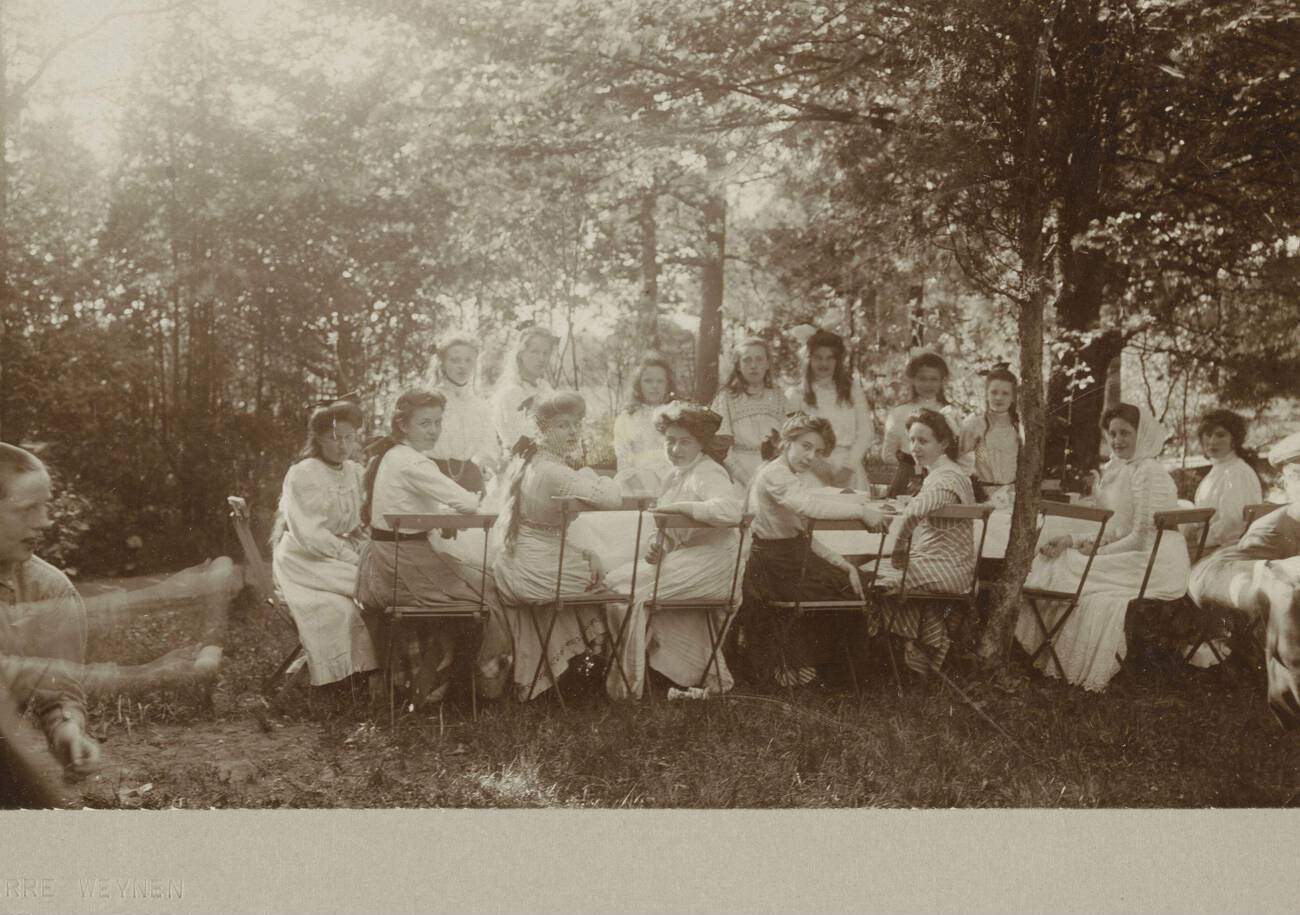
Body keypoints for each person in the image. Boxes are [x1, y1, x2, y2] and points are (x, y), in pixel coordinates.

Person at [1013, 404, 1189, 691]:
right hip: (1133, 550)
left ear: (1141, 433)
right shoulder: (1121, 469)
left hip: (1156, 559)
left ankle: (1050, 652)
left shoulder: (1149, 471)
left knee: (1072, 567)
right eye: (1113, 434)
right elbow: (1113, 528)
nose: (1117, 440)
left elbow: (1142, 536)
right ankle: (1045, 651)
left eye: (1125, 433)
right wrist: (1072, 541)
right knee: (1059, 559)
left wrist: (1095, 553)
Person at [355, 389, 511, 709]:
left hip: (391, 559)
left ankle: (452, 681)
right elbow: (468, 501)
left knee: (482, 580)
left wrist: (442, 517)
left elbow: (413, 504)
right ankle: (464, 689)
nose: (434, 430)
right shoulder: (411, 461)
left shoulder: (394, 455)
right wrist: (454, 512)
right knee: (486, 594)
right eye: (425, 423)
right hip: (401, 565)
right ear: (403, 425)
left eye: (438, 422)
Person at [603, 403, 744, 699]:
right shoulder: (673, 476)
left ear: (701, 443)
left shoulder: (708, 472)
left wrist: (681, 507)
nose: (676, 449)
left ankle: (629, 687)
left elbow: (731, 510)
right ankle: (637, 674)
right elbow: (667, 529)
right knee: (615, 583)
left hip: (716, 563)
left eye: (685, 442)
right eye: (670, 441)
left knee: (629, 592)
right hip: (689, 558)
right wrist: (660, 546)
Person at [492, 391, 624, 700]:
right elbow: (612, 498)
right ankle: (592, 671)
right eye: (563, 425)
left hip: (522, 561)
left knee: (594, 561)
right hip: (534, 569)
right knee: (616, 577)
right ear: (541, 429)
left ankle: (570, 673)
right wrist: (592, 475)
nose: (573, 432)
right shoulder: (553, 471)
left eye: (576, 424)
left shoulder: (532, 462)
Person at [741, 413, 886, 687]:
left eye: (817, 451)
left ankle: (832, 674)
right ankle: (830, 675)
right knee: (847, 590)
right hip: (774, 567)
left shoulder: (788, 475)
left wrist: (843, 564)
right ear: (787, 441)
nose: (810, 457)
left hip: (791, 558)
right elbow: (809, 508)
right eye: (806, 446)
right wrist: (861, 511)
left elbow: (803, 537)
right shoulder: (775, 474)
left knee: (851, 581)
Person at [1187, 431, 1300, 724]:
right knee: (1284, 593)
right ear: (1286, 484)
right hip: (1242, 580)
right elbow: (1218, 572)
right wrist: (1270, 575)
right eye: (1298, 476)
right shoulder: (1274, 527)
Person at [0, 443, 100, 775]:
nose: (44, 522)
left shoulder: (50, 590)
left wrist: (67, 730)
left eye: (45, 507)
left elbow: (59, 690)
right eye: (28, 509)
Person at [270, 401, 379, 688]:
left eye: (349, 438)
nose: (342, 446)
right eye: (334, 438)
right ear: (318, 438)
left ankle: (379, 674)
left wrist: (365, 546)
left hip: (336, 554)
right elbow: (310, 534)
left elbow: (359, 522)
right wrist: (350, 556)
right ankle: (354, 679)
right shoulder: (306, 472)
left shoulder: (355, 472)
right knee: (371, 589)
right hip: (305, 560)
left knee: (379, 583)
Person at [871, 409, 977, 676]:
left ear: (943, 444)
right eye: (912, 440)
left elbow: (915, 512)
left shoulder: (946, 478)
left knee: (867, 576)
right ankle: (918, 650)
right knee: (876, 570)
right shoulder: (946, 474)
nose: (915, 448)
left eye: (923, 441)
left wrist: (899, 548)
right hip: (946, 565)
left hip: (946, 568)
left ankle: (894, 656)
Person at [784, 329, 873, 489]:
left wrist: (848, 468)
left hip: (848, 468)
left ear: (837, 361)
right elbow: (793, 437)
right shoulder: (797, 394)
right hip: (811, 469)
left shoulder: (851, 390)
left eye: (829, 358)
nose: (823, 363)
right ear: (808, 359)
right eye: (818, 358)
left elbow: (865, 432)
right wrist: (819, 467)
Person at [880, 352, 966, 497]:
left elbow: (963, 450)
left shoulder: (951, 413)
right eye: (922, 379)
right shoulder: (899, 413)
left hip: (942, 479)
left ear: (942, 381)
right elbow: (887, 454)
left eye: (934, 379)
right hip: (908, 477)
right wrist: (910, 466)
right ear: (913, 380)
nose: (928, 384)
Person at [711, 337, 791, 488]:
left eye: (759, 360)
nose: (753, 366)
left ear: (767, 364)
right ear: (738, 366)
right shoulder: (726, 397)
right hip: (738, 472)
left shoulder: (779, 396)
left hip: (773, 471)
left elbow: (787, 441)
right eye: (747, 360)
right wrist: (747, 480)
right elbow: (723, 448)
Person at [424, 336, 500, 495]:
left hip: (470, 479)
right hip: (433, 476)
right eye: (455, 360)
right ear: (442, 363)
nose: (462, 367)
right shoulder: (428, 400)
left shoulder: (479, 406)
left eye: (468, 361)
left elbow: (488, 449)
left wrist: (492, 464)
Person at [1191, 408, 1264, 552]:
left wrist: (1200, 539)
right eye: (1208, 435)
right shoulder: (1218, 470)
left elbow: (1233, 523)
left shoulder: (1237, 472)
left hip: (1228, 549)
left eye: (1220, 435)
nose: (1212, 441)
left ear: (1234, 440)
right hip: (1210, 545)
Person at [490, 326, 558, 462]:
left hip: (548, 457)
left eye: (546, 353)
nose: (541, 358)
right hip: (522, 462)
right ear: (521, 353)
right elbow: (521, 439)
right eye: (535, 352)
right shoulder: (511, 392)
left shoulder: (545, 387)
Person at [959, 363, 1022, 508]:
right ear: (986, 395)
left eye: (1005, 393)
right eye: (994, 392)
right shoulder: (974, 424)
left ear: (1013, 397)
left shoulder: (1019, 426)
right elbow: (961, 462)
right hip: (983, 495)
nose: (999, 398)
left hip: (1013, 496)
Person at [613, 354, 677, 495]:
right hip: (637, 482)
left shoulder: (677, 415)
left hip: (674, 479)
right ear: (638, 384)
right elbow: (623, 461)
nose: (654, 386)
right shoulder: (626, 418)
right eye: (648, 381)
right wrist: (642, 492)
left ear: (668, 385)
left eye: (660, 381)